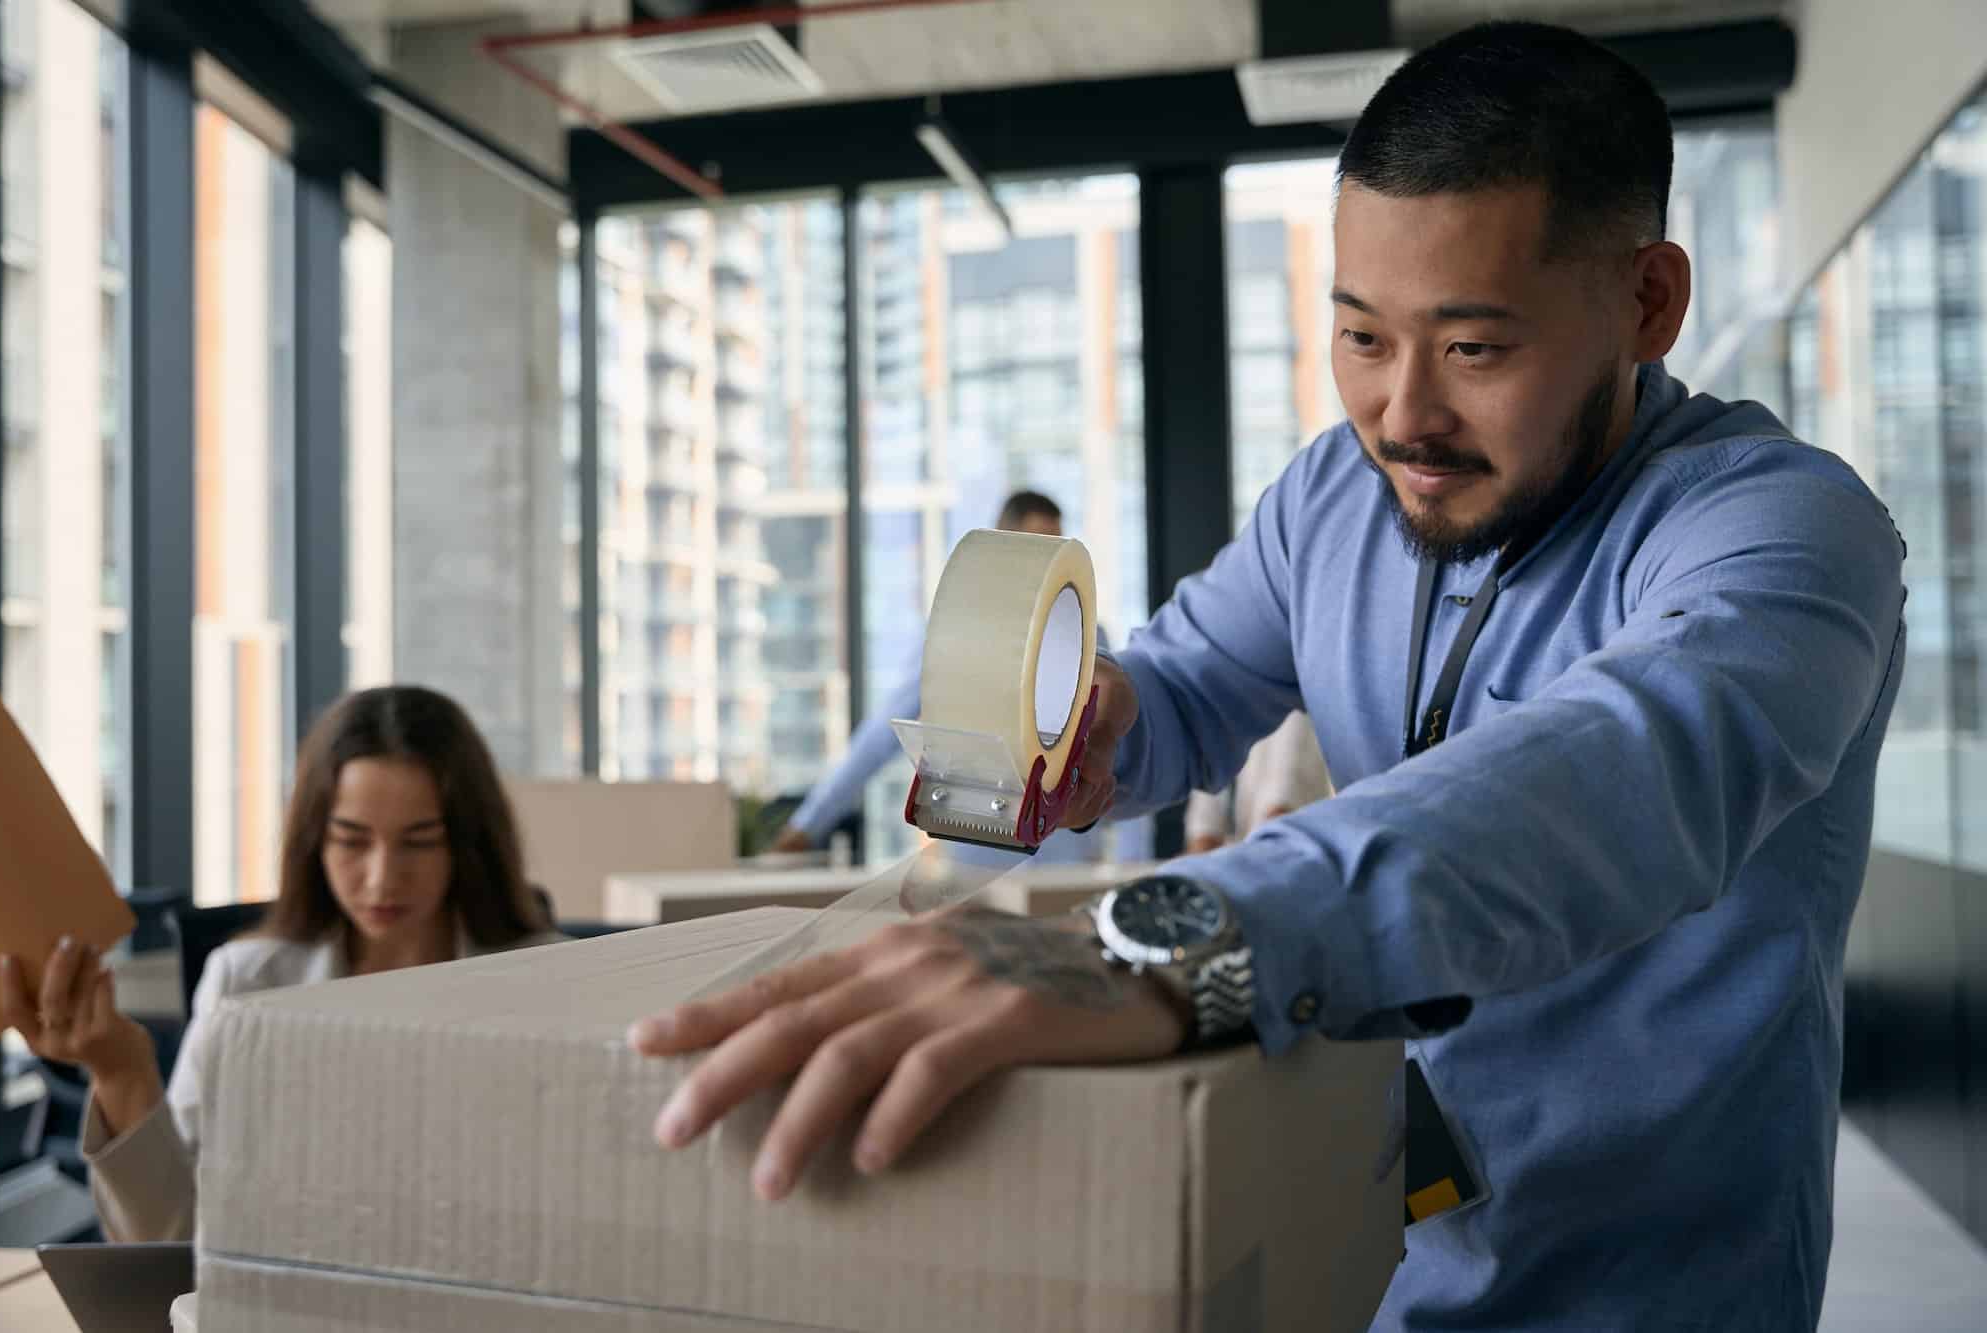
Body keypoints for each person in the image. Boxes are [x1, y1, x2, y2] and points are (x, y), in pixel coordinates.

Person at [623, 22, 1908, 1331]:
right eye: (1361, 335)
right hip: (1373, 1233)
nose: (1403, 413)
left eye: (1474, 349)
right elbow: (1191, 673)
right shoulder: (1337, 495)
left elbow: (1635, 764)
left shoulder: (1784, 531)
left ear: (1646, 302)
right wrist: (1104, 722)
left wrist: (1172, 944)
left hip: (1656, 1286)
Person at [0, 685, 562, 1243]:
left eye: (419, 842)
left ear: (467, 845)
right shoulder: (247, 979)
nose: (382, 878)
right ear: (315, 840)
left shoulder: (553, 980)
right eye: (351, 841)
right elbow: (169, 1239)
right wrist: (123, 1073)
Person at [770, 489, 1144, 865]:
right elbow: (880, 735)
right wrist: (807, 824)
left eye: (1055, 544)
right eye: (1037, 545)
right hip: (979, 853)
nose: (1048, 562)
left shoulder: (1088, 635)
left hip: (1065, 857)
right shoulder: (959, 631)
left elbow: (1116, 752)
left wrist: (1133, 862)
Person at [1182, 710, 1331, 854]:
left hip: (1286, 855)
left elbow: (1278, 814)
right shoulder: (1217, 719)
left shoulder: (1294, 715)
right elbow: (1203, 832)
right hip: (1249, 856)